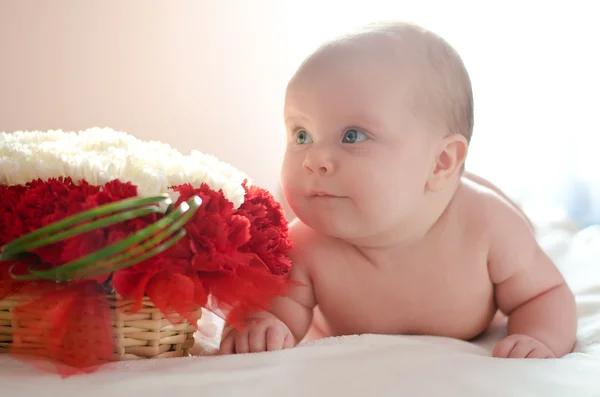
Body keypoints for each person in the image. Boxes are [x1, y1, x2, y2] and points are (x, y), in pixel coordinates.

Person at [220, 21, 576, 359]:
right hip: (417, 196)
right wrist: (264, 327)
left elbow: (544, 293)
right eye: (302, 135)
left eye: (352, 135)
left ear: (440, 162)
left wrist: (538, 337)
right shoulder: (308, 244)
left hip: (462, 201)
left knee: (515, 219)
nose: (313, 159)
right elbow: (281, 312)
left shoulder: (489, 227)